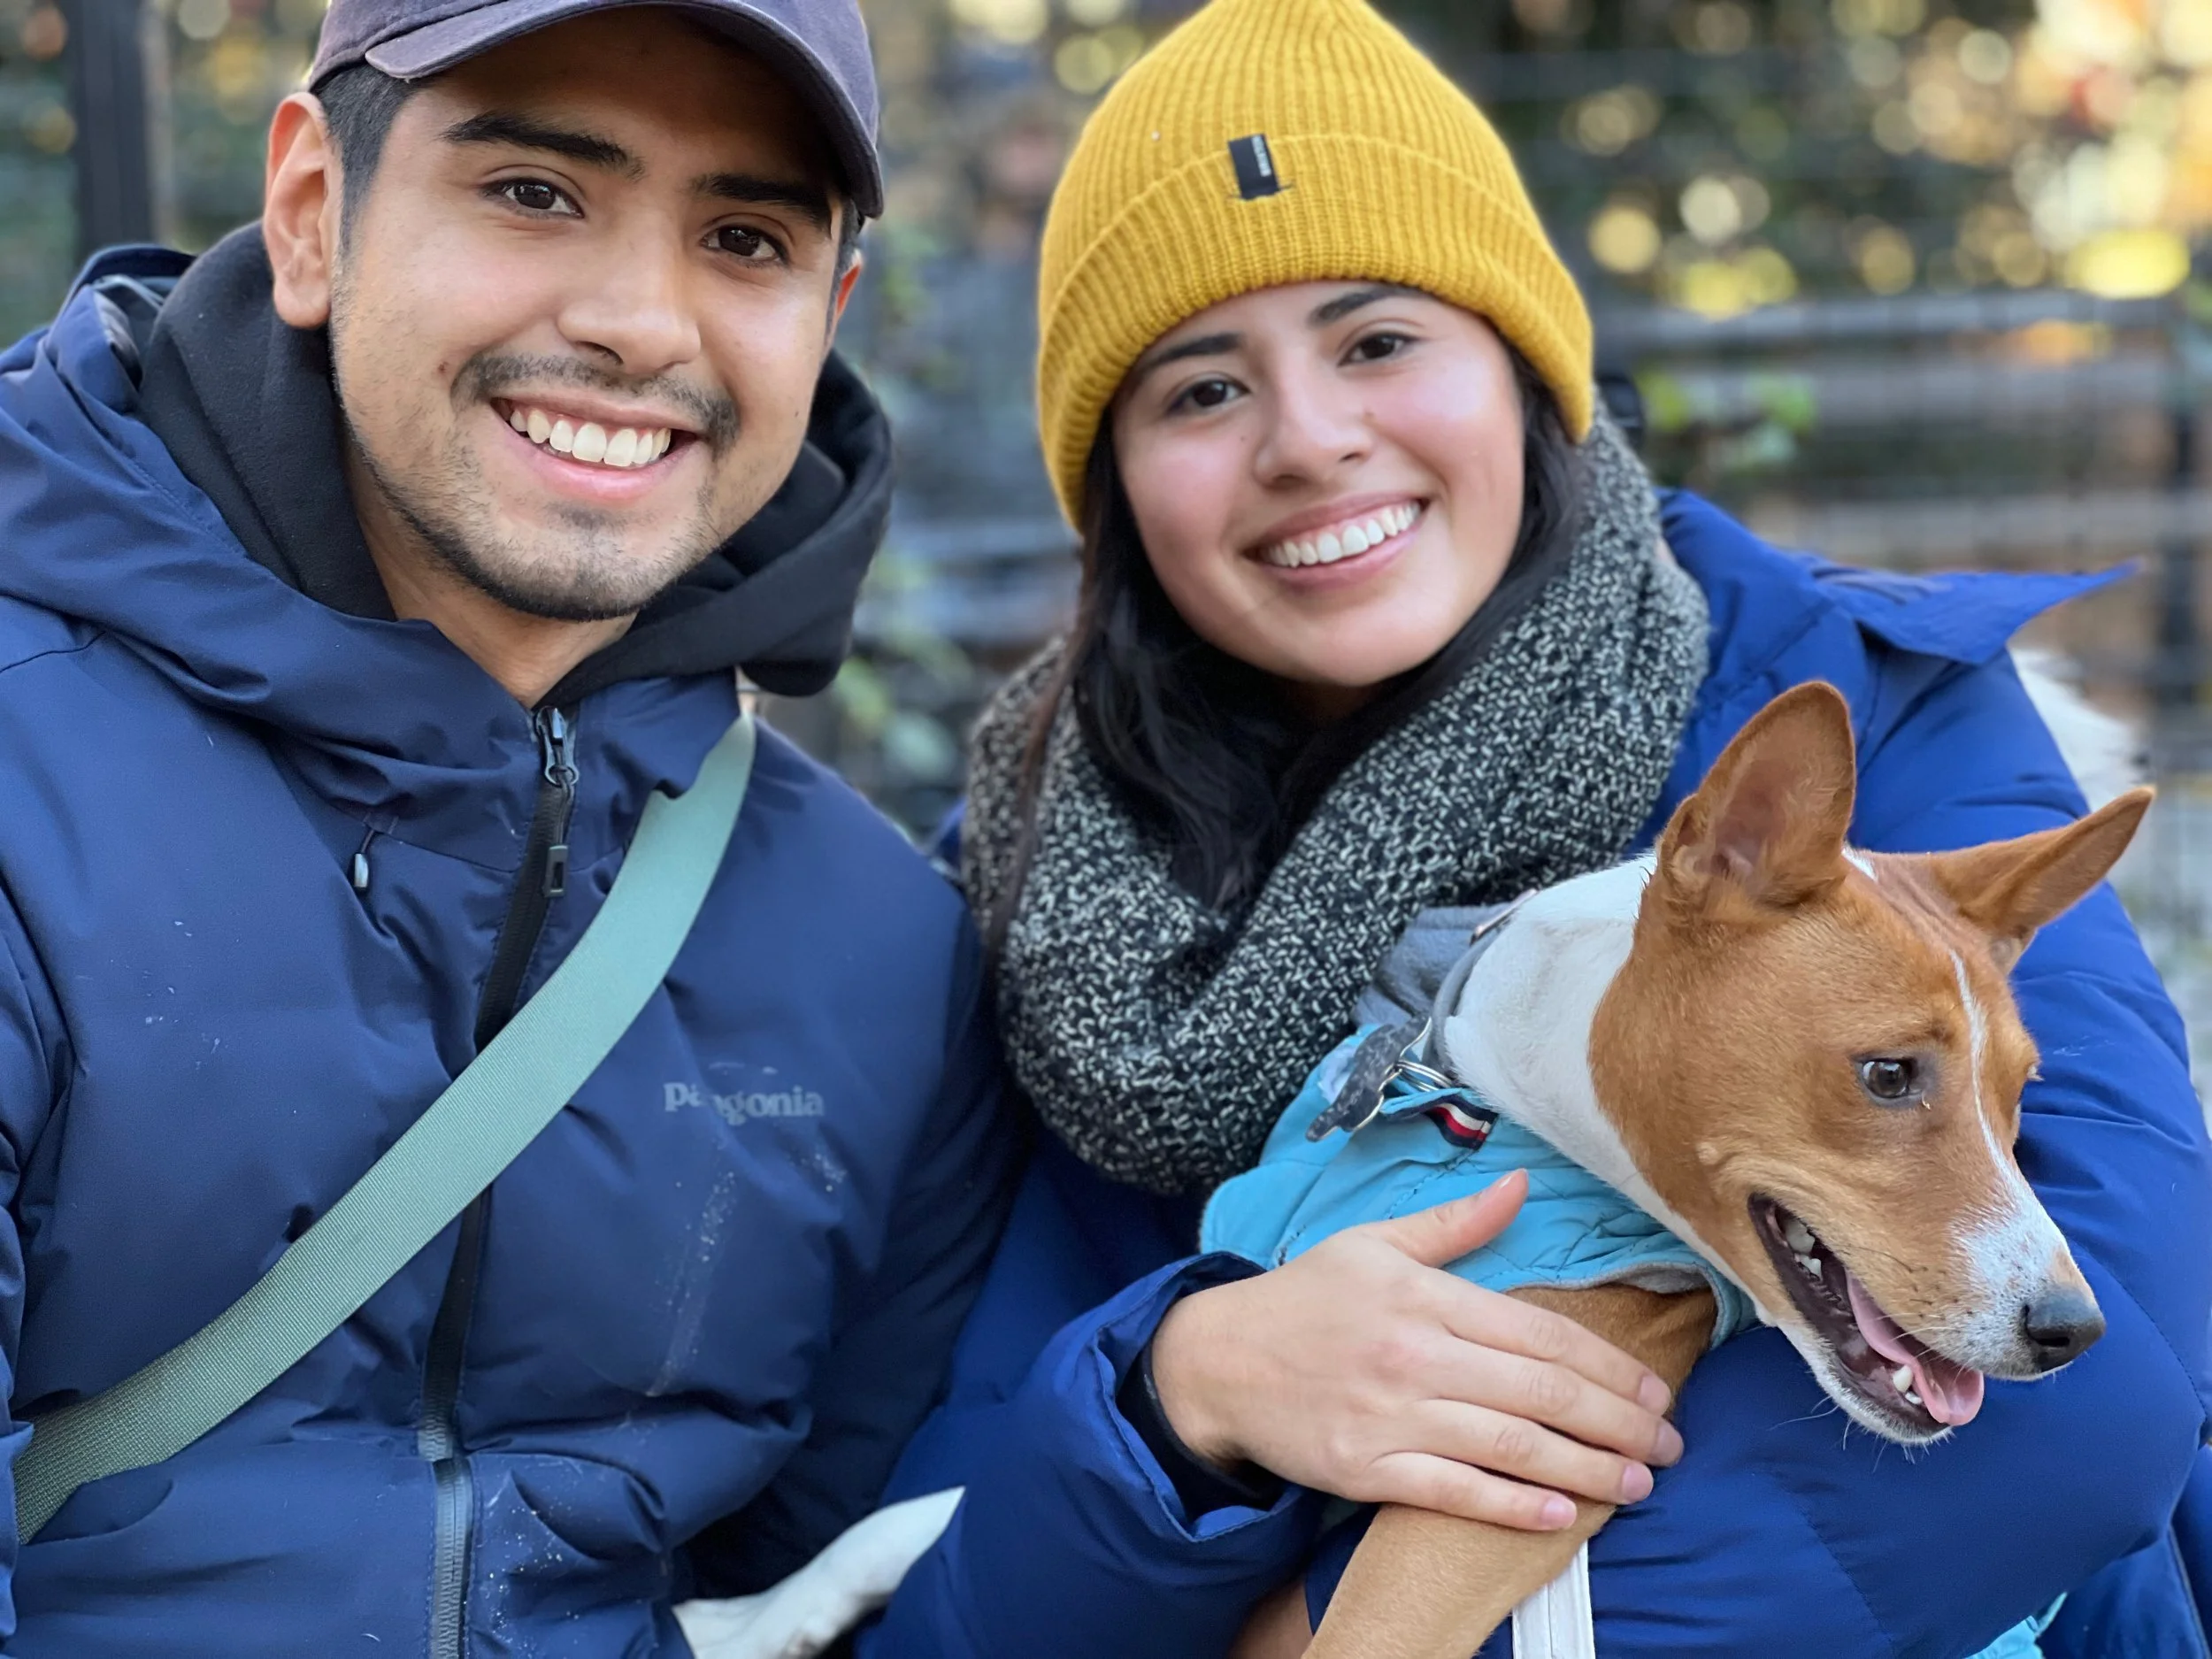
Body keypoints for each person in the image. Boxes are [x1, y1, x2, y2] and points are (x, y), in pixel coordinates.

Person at [861, 0, 2212, 1653]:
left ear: (1521, 366)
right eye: (1201, 390)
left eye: (1377, 342)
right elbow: (926, 1567)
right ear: (1119, 485)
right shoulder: (1035, 903)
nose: (1309, 440)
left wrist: (1369, 1624)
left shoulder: (1870, 727)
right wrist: (1180, 1393)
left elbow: (2099, 1398)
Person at [0, 0, 1023, 1651]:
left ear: (828, 316)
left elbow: (860, 1580)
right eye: (538, 191)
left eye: (743, 236)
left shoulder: (883, 953)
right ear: (313, 211)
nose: (639, 323)